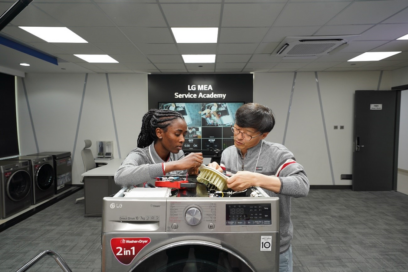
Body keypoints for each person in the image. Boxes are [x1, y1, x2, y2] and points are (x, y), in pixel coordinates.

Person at [208, 103, 309, 272]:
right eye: (237, 130)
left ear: (264, 135)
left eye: (247, 134)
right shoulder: (228, 153)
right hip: (235, 240)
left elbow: (302, 185)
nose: (239, 137)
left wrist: (256, 178)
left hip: (270, 241)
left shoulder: (277, 153)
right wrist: (218, 173)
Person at [115, 109, 203, 187]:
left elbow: (181, 185)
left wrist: (191, 174)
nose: (182, 139)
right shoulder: (139, 155)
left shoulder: (178, 154)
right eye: (177, 134)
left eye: (184, 135)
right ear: (159, 133)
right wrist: (174, 165)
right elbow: (120, 176)